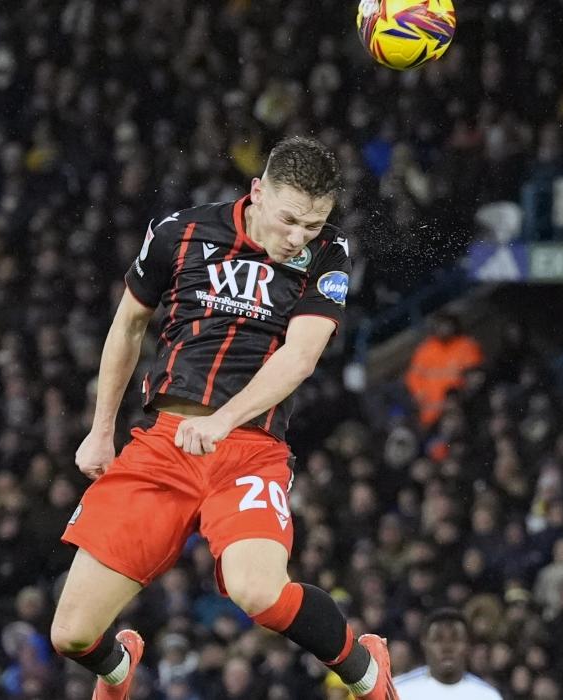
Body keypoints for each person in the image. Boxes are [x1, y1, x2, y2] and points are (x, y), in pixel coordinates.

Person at [48, 136, 397, 700]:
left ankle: (365, 671)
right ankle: (118, 670)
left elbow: (301, 356)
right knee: (71, 635)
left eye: (312, 225)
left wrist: (224, 420)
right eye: (289, 220)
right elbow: (128, 325)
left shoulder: (329, 252)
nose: (298, 237)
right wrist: (100, 429)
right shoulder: (179, 231)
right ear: (257, 192)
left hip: (250, 451)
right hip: (165, 444)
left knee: (257, 592)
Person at [393, 609, 502, 699]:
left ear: (468, 644)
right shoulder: (397, 691)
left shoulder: (487, 696)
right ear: (424, 643)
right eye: (438, 639)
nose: (447, 647)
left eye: (455, 639)